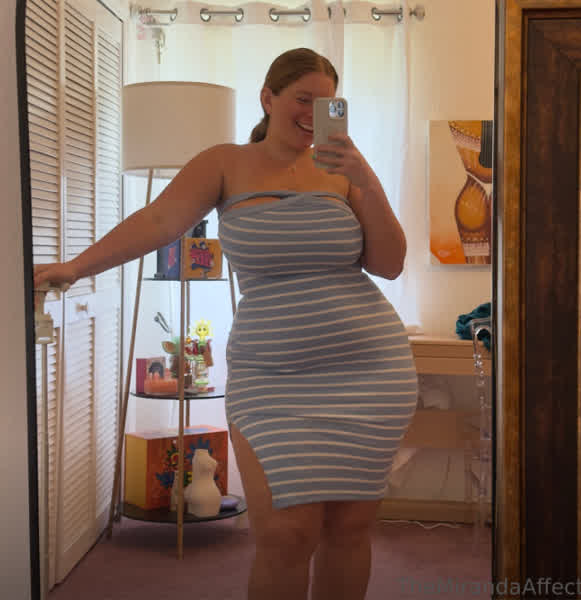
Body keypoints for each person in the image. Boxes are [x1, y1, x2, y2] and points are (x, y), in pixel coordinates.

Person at [35, 48, 418, 600]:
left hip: (368, 372)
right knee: (285, 535)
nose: (313, 113)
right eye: (302, 99)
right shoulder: (225, 163)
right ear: (268, 98)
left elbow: (389, 263)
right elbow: (157, 220)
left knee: (349, 528)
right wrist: (77, 267)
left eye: (326, 103)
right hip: (271, 380)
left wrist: (365, 178)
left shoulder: (343, 172)